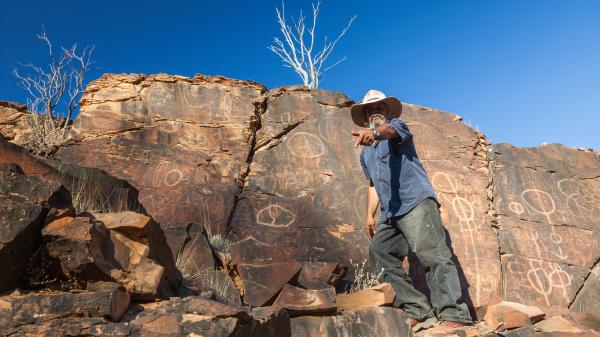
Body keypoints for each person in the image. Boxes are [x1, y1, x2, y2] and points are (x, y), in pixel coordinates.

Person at [351, 89, 472, 335]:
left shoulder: (396, 127)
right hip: (390, 213)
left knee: (433, 255)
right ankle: (418, 309)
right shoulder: (366, 154)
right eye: (370, 110)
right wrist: (368, 216)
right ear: (365, 116)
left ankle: (454, 314)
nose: (375, 112)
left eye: (379, 108)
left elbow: (390, 132)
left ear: (387, 111)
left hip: (415, 201)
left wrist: (374, 133)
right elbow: (373, 184)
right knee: (380, 252)